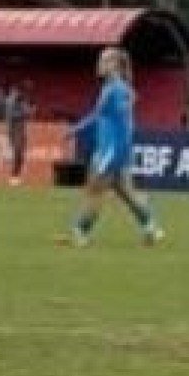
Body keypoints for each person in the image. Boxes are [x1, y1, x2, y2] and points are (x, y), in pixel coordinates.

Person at [67, 47, 164, 247]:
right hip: (117, 150)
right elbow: (106, 116)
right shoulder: (116, 88)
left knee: (94, 191)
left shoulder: (116, 89)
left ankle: (81, 231)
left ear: (114, 65)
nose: (99, 65)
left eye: (103, 61)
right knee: (126, 192)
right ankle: (150, 228)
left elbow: (116, 119)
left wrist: (76, 129)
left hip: (109, 150)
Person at [0, 81, 33, 186]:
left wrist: (28, 111)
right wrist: (25, 113)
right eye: (14, 91)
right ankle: (14, 176)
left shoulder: (21, 102)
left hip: (21, 130)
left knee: (20, 154)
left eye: (17, 91)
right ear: (11, 92)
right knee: (18, 151)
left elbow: (28, 112)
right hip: (14, 130)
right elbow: (12, 115)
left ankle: (16, 176)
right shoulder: (9, 102)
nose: (16, 93)